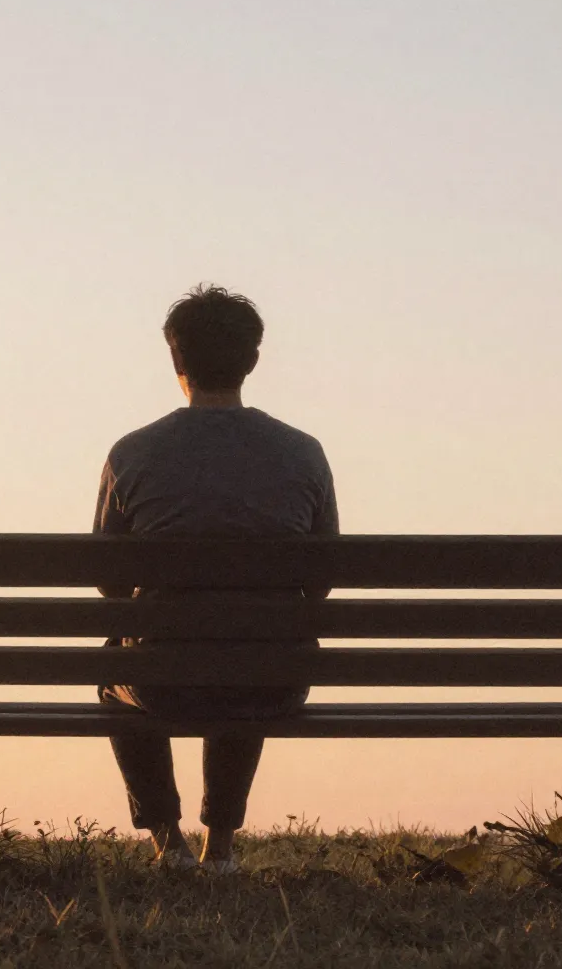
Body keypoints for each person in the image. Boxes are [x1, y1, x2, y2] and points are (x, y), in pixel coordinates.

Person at [95, 285, 338, 872]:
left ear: (177, 358)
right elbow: (321, 580)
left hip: (163, 682)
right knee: (255, 642)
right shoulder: (303, 453)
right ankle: (221, 847)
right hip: (271, 682)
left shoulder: (133, 453)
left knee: (114, 665)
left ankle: (167, 842)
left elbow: (108, 580)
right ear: (252, 359)